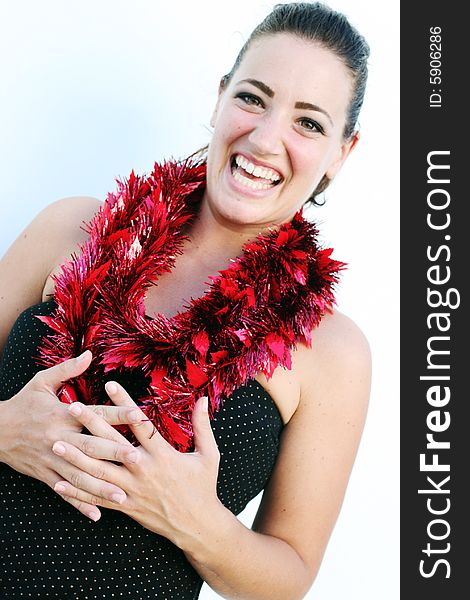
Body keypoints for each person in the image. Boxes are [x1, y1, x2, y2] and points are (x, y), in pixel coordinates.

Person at [0, 2, 371, 598]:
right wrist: (5, 429)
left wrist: (196, 521)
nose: (267, 137)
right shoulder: (68, 229)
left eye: (309, 123)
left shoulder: (331, 351)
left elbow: (289, 576)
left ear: (342, 153)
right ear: (220, 99)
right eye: (253, 97)